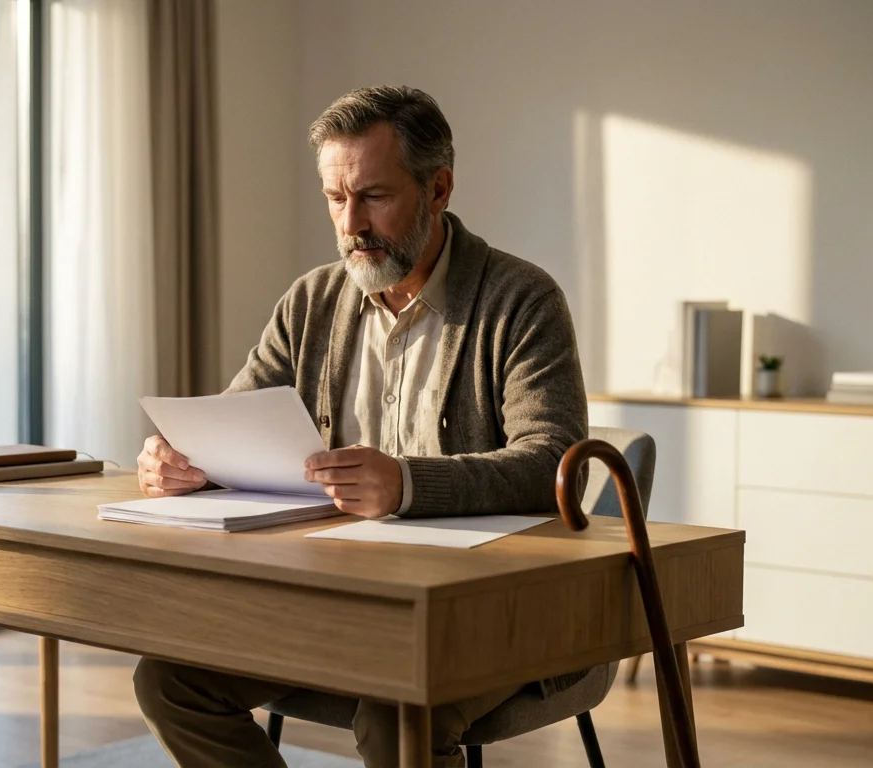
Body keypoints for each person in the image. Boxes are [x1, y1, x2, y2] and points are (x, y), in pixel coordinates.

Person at [133, 85, 600, 768]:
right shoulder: (312, 301)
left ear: (438, 189)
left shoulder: (521, 300)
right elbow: (231, 423)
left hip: (492, 615)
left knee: (397, 711)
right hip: (337, 604)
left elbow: (555, 463)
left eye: (374, 196)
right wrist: (179, 460)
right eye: (335, 198)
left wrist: (407, 483)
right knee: (169, 682)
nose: (351, 222)